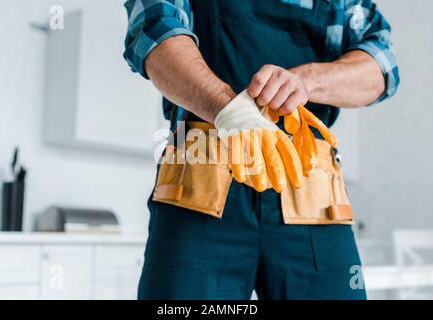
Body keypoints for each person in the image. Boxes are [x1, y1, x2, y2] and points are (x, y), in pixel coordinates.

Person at [123, 0, 399, 300]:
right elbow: (155, 31)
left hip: (314, 196)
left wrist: (306, 81)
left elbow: (382, 65)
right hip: (198, 188)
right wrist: (229, 110)